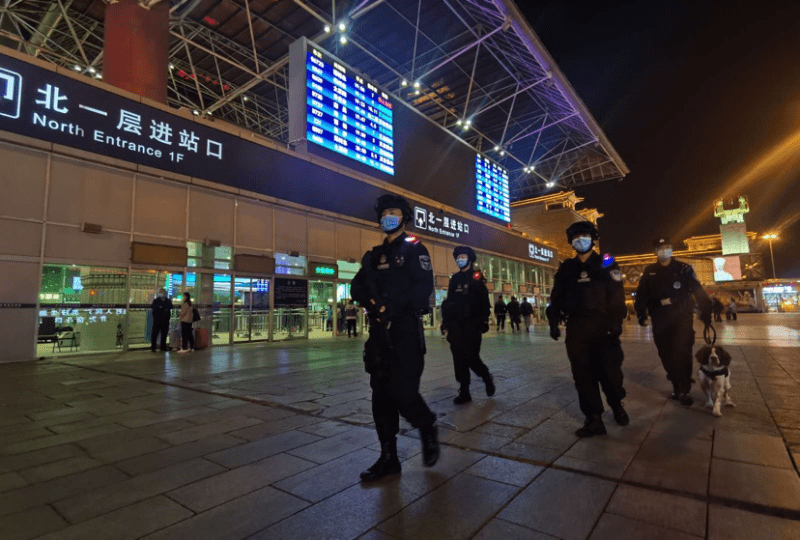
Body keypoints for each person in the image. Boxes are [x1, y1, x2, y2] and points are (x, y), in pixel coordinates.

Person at [351, 193, 439, 481]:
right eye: (385, 212)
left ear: (404, 217)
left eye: (394, 211)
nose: (389, 216)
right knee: (381, 398)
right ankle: (388, 457)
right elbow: (357, 287)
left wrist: (394, 306)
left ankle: (426, 425)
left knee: (404, 393)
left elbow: (422, 287)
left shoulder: (415, 250)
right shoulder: (373, 256)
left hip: (405, 331)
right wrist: (374, 305)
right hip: (378, 334)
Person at [547, 221, 629, 437]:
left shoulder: (606, 262)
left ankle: (617, 404)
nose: (580, 240)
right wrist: (553, 321)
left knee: (610, 373)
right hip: (577, 328)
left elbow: (617, 294)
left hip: (604, 328)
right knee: (582, 375)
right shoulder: (566, 268)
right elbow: (556, 297)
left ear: (593, 238)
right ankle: (593, 418)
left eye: (584, 236)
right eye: (576, 237)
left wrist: (616, 321)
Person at [635, 237, 712, 405]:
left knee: (683, 351)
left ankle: (684, 388)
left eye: (668, 247)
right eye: (661, 247)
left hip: (681, 316)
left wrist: (706, 311)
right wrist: (641, 313)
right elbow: (642, 294)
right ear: (655, 250)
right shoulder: (650, 271)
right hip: (660, 316)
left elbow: (697, 290)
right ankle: (675, 380)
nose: (665, 250)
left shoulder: (683, 269)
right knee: (665, 352)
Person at [441, 246, 495, 404]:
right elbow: (448, 303)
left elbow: (484, 303)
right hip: (456, 325)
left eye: (462, 256)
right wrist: (445, 323)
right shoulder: (455, 279)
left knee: (471, 357)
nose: (459, 259)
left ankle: (486, 376)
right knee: (458, 357)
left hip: (472, 324)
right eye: (457, 257)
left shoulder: (477, 278)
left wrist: (484, 320)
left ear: (470, 259)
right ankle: (464, 390)